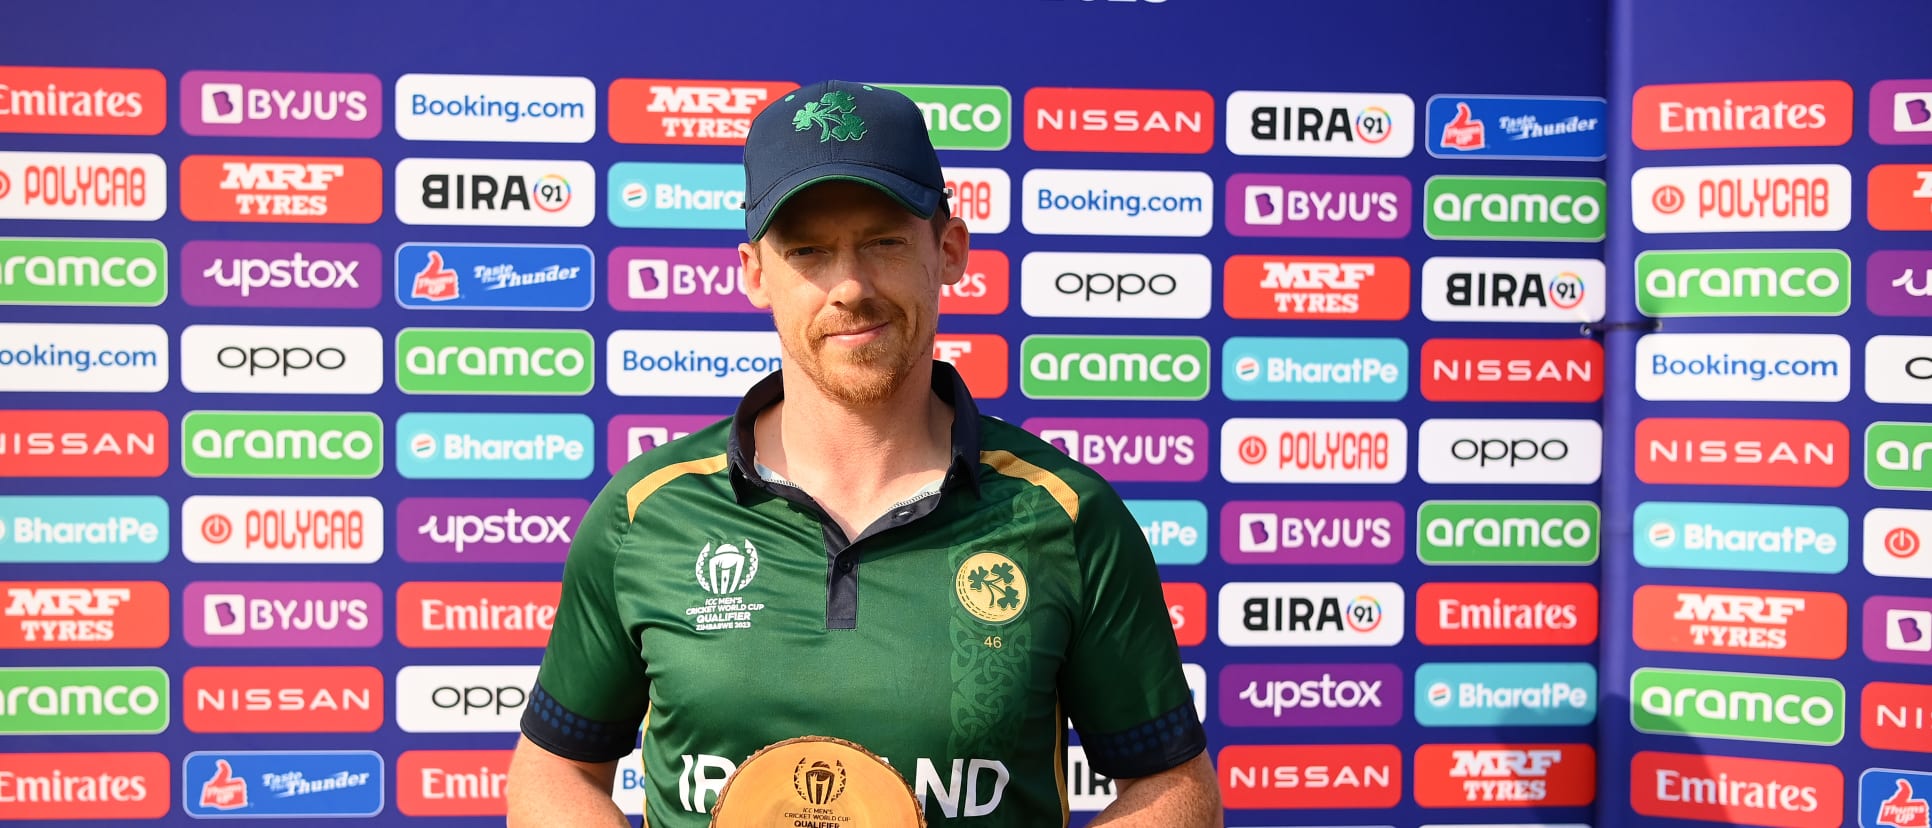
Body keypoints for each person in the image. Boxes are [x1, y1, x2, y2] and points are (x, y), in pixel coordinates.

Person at [506, 79, 1220, 827]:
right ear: (755, 273)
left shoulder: (1067, 515)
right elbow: (556, 769)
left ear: (948, 250)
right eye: (809, 251)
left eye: (883, 241)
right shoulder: (645, 513)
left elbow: (1171, 788)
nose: (849, 285)